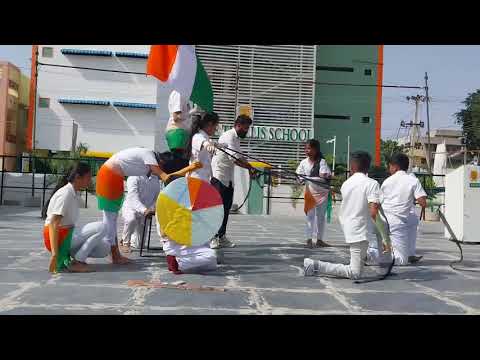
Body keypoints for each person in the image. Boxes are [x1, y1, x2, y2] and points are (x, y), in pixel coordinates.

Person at [96, 147, 201, 264]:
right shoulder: (148, 155)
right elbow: (166, 177)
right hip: (108, 177)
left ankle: (115, 255)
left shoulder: (149, 164)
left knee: (112, 220)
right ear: (160, 162)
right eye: (162, 167)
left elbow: (167, 176)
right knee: (110, 220)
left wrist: (189, 168)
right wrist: (189, 168)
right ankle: (114, 255)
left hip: (114, 178)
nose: (160, 170)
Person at [304, 151, 381, 280]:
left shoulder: (346, 184)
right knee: (355, 273)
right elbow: (373, 212)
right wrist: (383, 236)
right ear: (368, 167)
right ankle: (314, 265)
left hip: (351, 228)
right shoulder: (372, 184)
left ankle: (367, 256)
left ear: (352, 168)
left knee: (373, 252)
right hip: (361, 232)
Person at [153, 150, 217, 274]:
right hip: (175, 244)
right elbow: (164, 232)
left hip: (186, 241)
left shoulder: (179, 197)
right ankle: (177, 262)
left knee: (212, 262)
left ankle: (185, 261)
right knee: (210, 257)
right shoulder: (165, 202)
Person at [43, 162, 110, 273]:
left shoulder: (73, 192)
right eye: (88, 178)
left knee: (105, 248)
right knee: (102, 227)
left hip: (68, 236)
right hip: (60, 238)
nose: (90, 181)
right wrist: (55, 254)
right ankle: (77, 262)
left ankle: (75, 257)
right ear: (78, 177)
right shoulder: (66, 194)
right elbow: (53, 223)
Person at [210, 115, 256, 249]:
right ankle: (213, 237)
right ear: (238, 125)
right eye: (246, 128)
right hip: (218, 176)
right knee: (216, 209)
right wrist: (249, 168)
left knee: (225, 208)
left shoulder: (236, 139)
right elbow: (234, 159)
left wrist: (251, 168)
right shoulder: (228, 136)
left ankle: (221, 236)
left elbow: (240, 156)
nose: (247, 131)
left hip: (228, 178)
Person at [375, 153, 427, 265]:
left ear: (395, 167)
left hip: (382, 220)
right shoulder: (413, 180)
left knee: (413, 220)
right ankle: (371, 256)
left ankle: (408, 253)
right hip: (397, 222)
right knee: (402, 261)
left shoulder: (387, 181)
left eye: (390, 166)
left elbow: (379, 202)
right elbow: (423, 202)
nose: (389, 169)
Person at [296, 139, 332, 249]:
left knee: (321, 217)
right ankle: (309, 239)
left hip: (322, 193)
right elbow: (298, 175)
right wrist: (300, 179)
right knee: (310, 216)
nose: (306, 150)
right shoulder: (303, 162)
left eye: (309, 148)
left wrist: (323, 175)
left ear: (315, 149)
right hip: (310, 192)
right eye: (305, 148)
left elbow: (323, 175)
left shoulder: (322, 162)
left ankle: (320, 240)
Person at [119, 174, 161, 252]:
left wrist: (152, 208)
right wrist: (144, 210)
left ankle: (126, 236)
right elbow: (133, 197)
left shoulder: (155, 179)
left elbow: (157, 197)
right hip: (131, 207)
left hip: (147, 210)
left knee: (138, 245)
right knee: (131, 219)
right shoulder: (133, 176)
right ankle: (125, 243)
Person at [187, 112, 220, 181]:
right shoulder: (198, 136)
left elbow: (209, 142)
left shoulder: (206, 137)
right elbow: (204, 143)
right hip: (196, 179)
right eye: (216, 126)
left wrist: (218, 145)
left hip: (203, 179)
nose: (216, 129)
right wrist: (208, 146)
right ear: (210, 124)